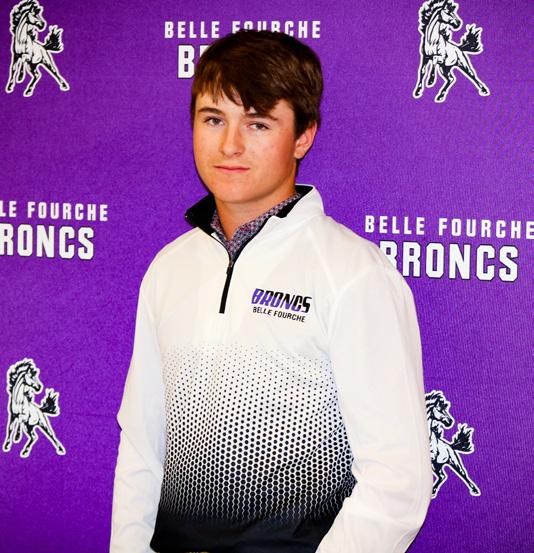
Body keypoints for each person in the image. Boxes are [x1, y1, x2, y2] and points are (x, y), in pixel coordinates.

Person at [110, 30, 432, 553]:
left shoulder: (354, 274)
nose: (229, 145)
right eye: (213, 119)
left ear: (303, 136)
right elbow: (142, 447)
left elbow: (397, 482)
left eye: (258, 123)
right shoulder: (169, 268)